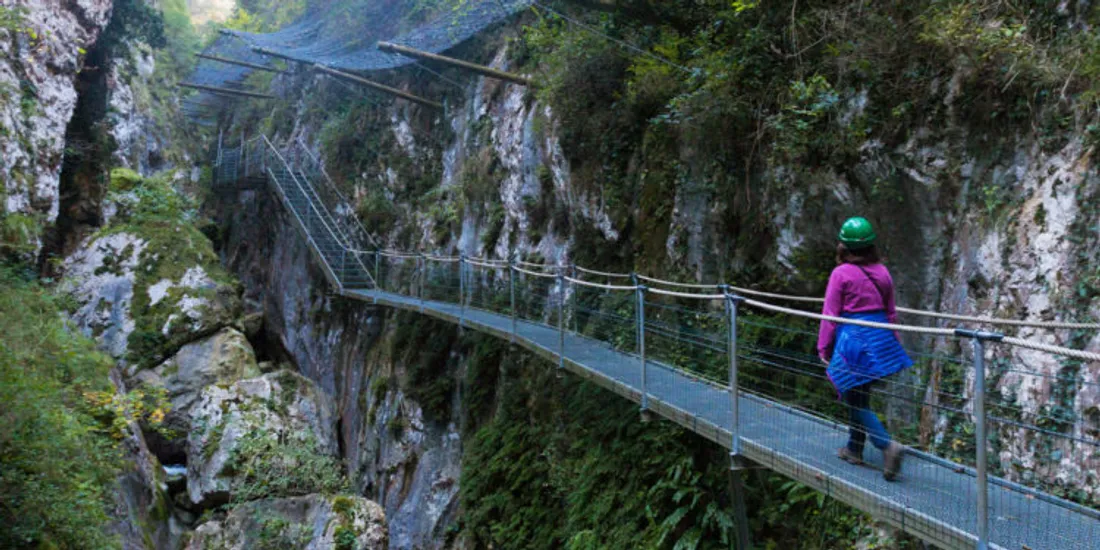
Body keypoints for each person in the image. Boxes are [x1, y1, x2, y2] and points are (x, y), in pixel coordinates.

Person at [817, 217, 913, 481]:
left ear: (843, 246)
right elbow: (890, 312)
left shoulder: (841, 274)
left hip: (854, 341)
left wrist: (823, 347)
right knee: (859, 395)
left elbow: (831, 314)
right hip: (880, 339)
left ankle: (886, 445)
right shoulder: (882, 272)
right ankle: (854, 448)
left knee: (851, 394)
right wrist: (892, 341)